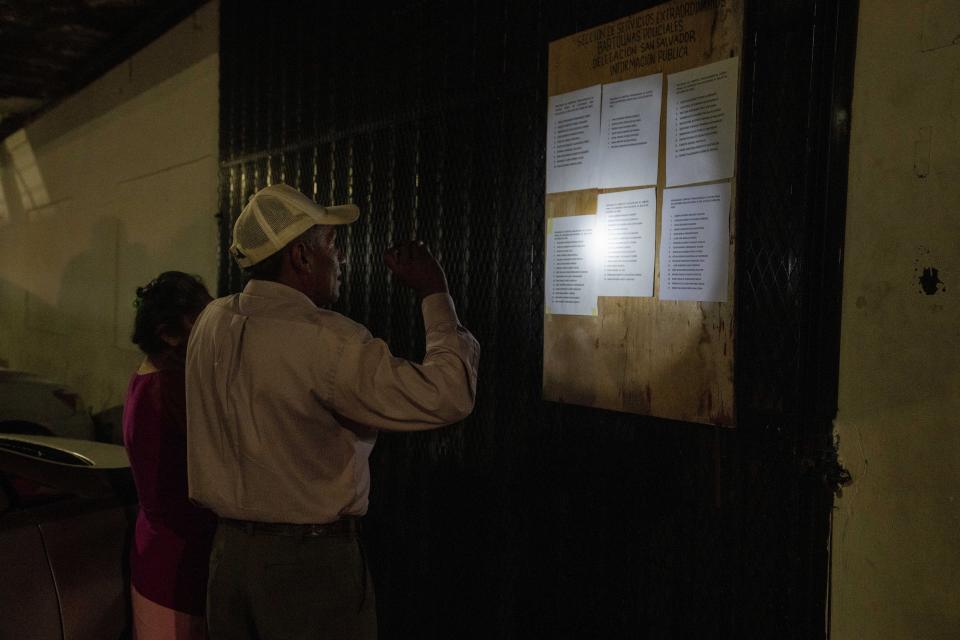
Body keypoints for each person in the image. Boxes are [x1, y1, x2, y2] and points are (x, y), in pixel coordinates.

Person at [185, 183, 480, 640]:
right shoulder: (326, 339)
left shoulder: (211, 322)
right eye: (332, 245)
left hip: (228, 559)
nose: (341, 259)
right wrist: (434, 293)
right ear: (301, 258)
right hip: (307, 570)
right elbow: (446, 394)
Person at [123, 271, 217, 639]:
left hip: (157, 551)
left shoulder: (145, 378)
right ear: (167, 332)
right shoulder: (171, 386)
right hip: (179, 560)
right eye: (201, 322)